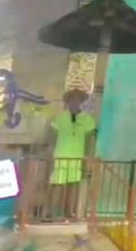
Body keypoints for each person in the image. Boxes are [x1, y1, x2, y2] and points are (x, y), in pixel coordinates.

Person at [48, 89, 96, 220]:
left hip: (77, 157)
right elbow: (52, 135)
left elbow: (90, 138)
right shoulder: (60, 117)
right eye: (72, 100)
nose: (74, 102)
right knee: (57, 185)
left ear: (80, 102)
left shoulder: (87, 119)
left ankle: (68, 213)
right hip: (60, 156)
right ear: (68, 102)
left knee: (72, 186)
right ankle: (49, 213)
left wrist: (89, 156)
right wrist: (50, 151)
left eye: (77, 99)